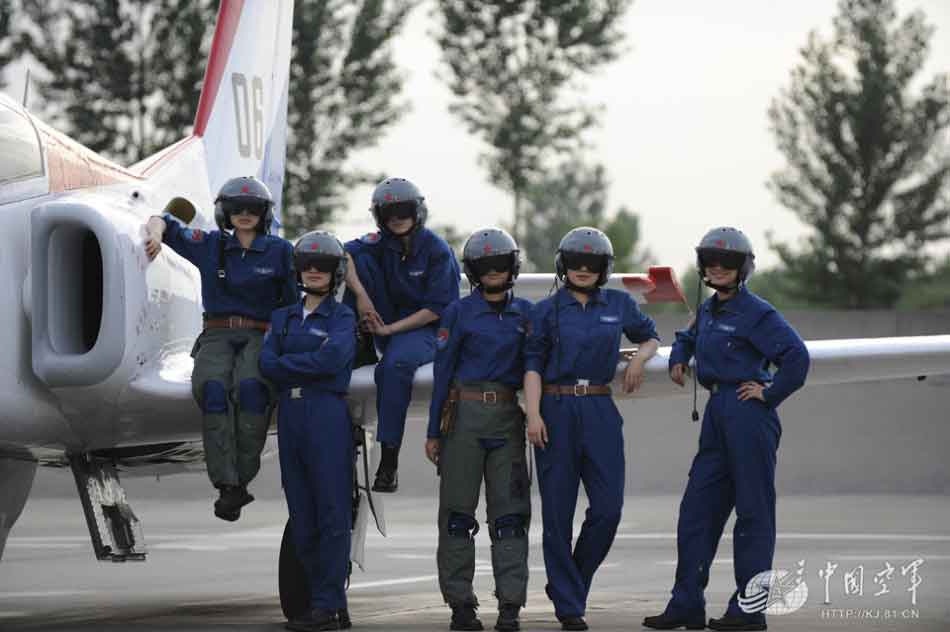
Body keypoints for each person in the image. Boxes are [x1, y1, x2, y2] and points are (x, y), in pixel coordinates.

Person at [643, 227, 809, 632]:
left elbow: (796, 359)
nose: (717, 268)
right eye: (711, 262)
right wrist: (679, 356)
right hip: (717, 414)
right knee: (696, 511)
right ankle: (686, 604)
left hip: (748, 414)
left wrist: (768, 395)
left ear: (742, 268)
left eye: (727, 263)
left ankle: (750, 610)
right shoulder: (709, 310)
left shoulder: (757, 313)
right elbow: (687, 336)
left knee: (753, 512)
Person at [524, 227, 660, 631]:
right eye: (576, 263)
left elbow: (650, 337)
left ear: (604, 269)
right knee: (557, 514)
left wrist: (638, 359)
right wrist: (533, 415)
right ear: (563, 266)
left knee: (608, 509)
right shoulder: (545, 311)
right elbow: (531, 365)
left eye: (593, 264)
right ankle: (569, 608)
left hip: (600, 407)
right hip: (555, 408)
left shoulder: (618, 304)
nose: (583, 270)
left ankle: (570, 583)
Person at [145, 176, 295, 521]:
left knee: (252, 390)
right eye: (236, 208)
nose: (244, 214)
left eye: (252, 209)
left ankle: (240, 480)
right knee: (212, 390)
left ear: (264, 214)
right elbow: (164, 221)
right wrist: (154, 233)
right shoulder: (211, 245)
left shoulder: (281, 252)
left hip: (260, 335)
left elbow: (289, 305)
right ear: (224, 212)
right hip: (216, 334)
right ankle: (227, 485)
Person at [426, 228, 532, 632]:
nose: (493, 272)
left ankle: (510, 607)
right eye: (484, 266)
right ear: (472, 271)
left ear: (512, 267)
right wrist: (434, 431)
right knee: (456, 516)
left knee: (509, 517)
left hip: (507, 420)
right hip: (464, 420)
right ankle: (461, 607)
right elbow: (442, 374)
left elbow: (541, 364)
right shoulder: (458, 313)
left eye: (500, 264)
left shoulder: (526, 314)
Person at [260, 231, 356, 632]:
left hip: (326, 413)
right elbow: (266, 364)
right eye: (306, 266)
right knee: (302, 514)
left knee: (333, 511)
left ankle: (328, 604)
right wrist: (305, 363)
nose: (313, 272)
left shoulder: (343, 317)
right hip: (292, 417)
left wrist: (289, 364)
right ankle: (325, 601)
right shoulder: (282, 316)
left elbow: (334, 361)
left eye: (323, 267)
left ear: (335, 274)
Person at [343, 177, 461, 493]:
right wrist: (360, 295)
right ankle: (358, 342)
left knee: (394, 368)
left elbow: (437, 309)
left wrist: (389, 330)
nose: (397, 218)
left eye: (404, 210)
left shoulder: (437, 250)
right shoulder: (377, 245)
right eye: (389, 212)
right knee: (358, 262)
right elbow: (341, 255)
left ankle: (389, 460)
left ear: (417, 211)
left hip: (426, 329)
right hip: (382, 324)